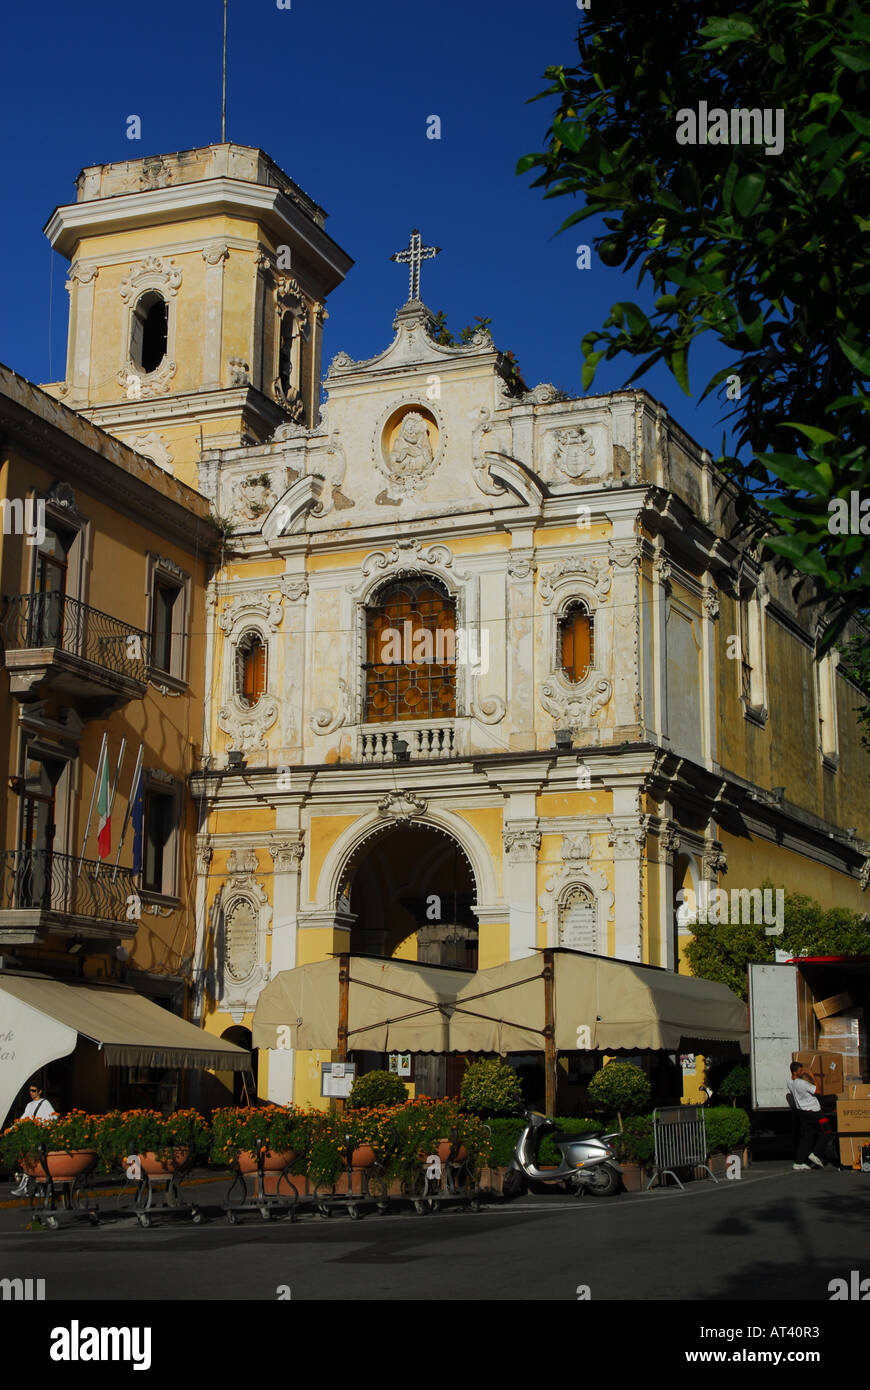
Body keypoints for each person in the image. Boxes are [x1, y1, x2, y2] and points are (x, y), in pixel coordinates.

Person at [8, 1081, 57, 1197]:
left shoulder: (45, 1103)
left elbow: (54, 1117)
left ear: (40, 1091)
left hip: (40, 1137)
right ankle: (38, 1189)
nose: (31, 1093)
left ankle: (28, 1188)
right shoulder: (29, 1105)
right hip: (31, 1137)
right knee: (31, 1162)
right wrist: (11, 1129)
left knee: (35, 1162)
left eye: (34, 1090)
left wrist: (43, 1126)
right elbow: (23, 1118)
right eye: (30, 1090)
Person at [786, 1061, 824, 1171]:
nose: (803, 1072)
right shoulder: (802, 1083)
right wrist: (812, 1077)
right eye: (801, 1071)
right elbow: (819, 1090)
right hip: (813, 1112)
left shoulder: (789, 1081)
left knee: (806, 1138)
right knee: (826, 1132)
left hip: (802, 1112)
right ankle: (815, 1154)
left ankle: (798, 1162)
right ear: (795, 1072)